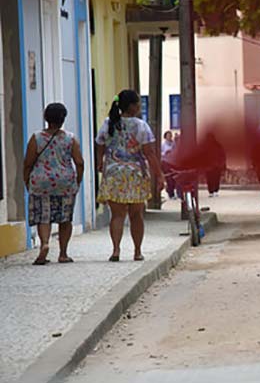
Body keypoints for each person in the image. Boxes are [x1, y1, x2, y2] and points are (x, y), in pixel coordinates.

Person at [96, 90, 164, 262]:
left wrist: (99, 162)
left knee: (117, 215)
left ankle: (116, 250)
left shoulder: (108, 123)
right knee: (136, 215)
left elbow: (100, 144)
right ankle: (137, 251)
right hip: (135, 174)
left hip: (113, 173)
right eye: (138, 104)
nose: (139, 107)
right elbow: (149, 153)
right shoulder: (141, 126)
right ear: (132, 106)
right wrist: (159, 175)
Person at [23, 103, 85, 265]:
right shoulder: (70, 139)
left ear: (46, 118)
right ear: (63, 119)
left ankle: (44, 244)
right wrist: (77, 180)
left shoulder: (36, 138)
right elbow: (79, 162)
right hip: (65, 182)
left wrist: (27, 180)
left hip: (41, 181)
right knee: (65, 218)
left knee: (44, 217)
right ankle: (63, 253)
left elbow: (28, 163)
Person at [203, 133, 226, 197]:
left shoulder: (215, 146)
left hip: (213, 166)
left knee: (212, 179)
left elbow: (222, 155)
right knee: (213, 179)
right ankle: (213, 191)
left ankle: (213, 191)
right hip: (213, 166)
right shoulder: (217, 145)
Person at [161, 131, 177, 199]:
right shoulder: (163, 145)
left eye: (170, 135)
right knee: (169, 179)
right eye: (168, 135)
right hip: (166, 163)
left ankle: (171, 190)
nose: (169, 137)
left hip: (173, 162)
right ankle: (171, 193)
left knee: (174, 178)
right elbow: (161, 153)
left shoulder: (174, 144)